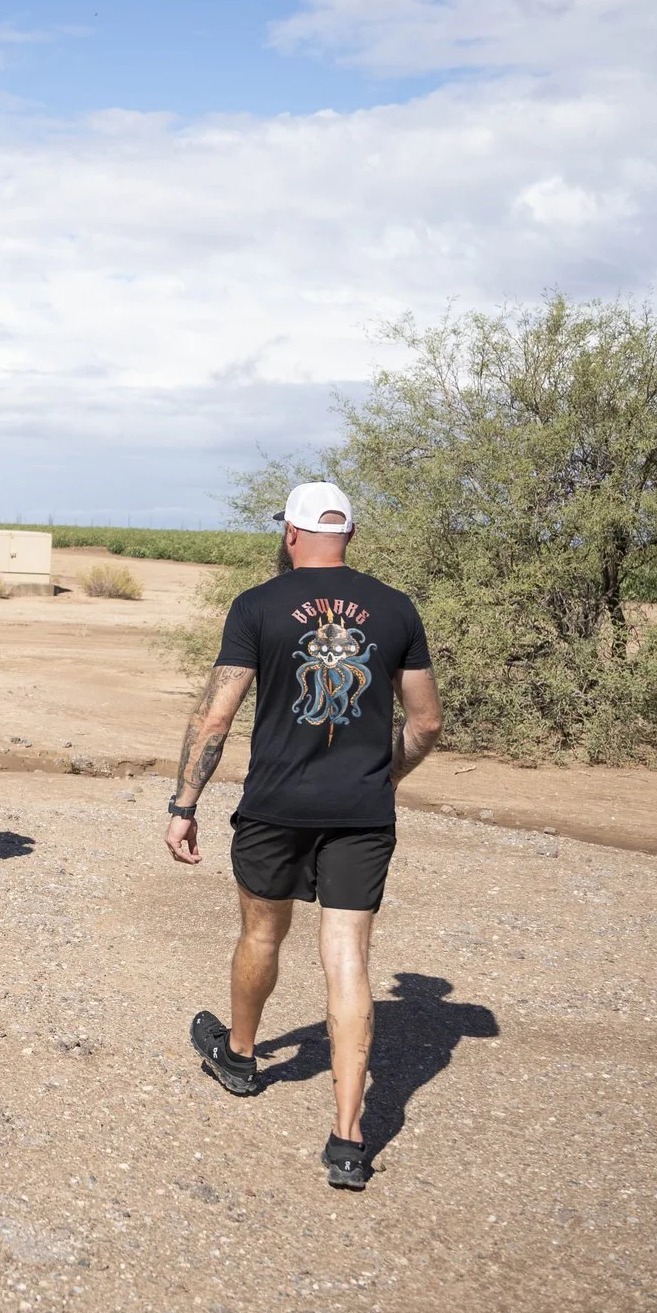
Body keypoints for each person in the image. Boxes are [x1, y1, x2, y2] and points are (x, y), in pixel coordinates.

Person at [163, 480, 442, 1191]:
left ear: (291, 533)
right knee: (347, 958)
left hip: (275, 805)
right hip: (362, 811)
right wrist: (389, 776)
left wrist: (184, 800)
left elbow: (217, 715)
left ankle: (241, 1055)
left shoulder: (258, 605)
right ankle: (349, 1139)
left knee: (262, 935)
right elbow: (427, 722)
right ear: (350, 533)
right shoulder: (396, 607)